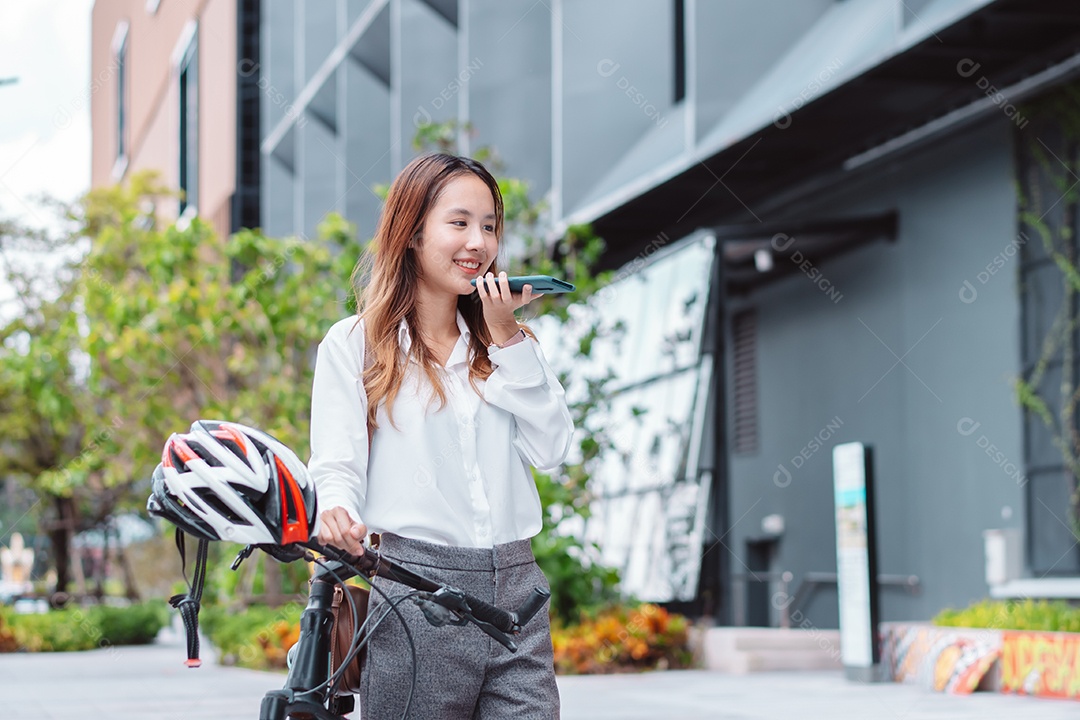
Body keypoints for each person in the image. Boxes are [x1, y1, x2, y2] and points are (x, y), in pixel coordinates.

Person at [308, 152, 573, 719]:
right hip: (414, 588)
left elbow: (553, 452)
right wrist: (336, 510)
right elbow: (337, 463)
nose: (478, 242)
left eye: (489, 226)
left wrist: (508, 342)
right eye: (459, 223)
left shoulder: (508, 345)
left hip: (518, 592)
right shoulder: (355, 344)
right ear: (411, 231)